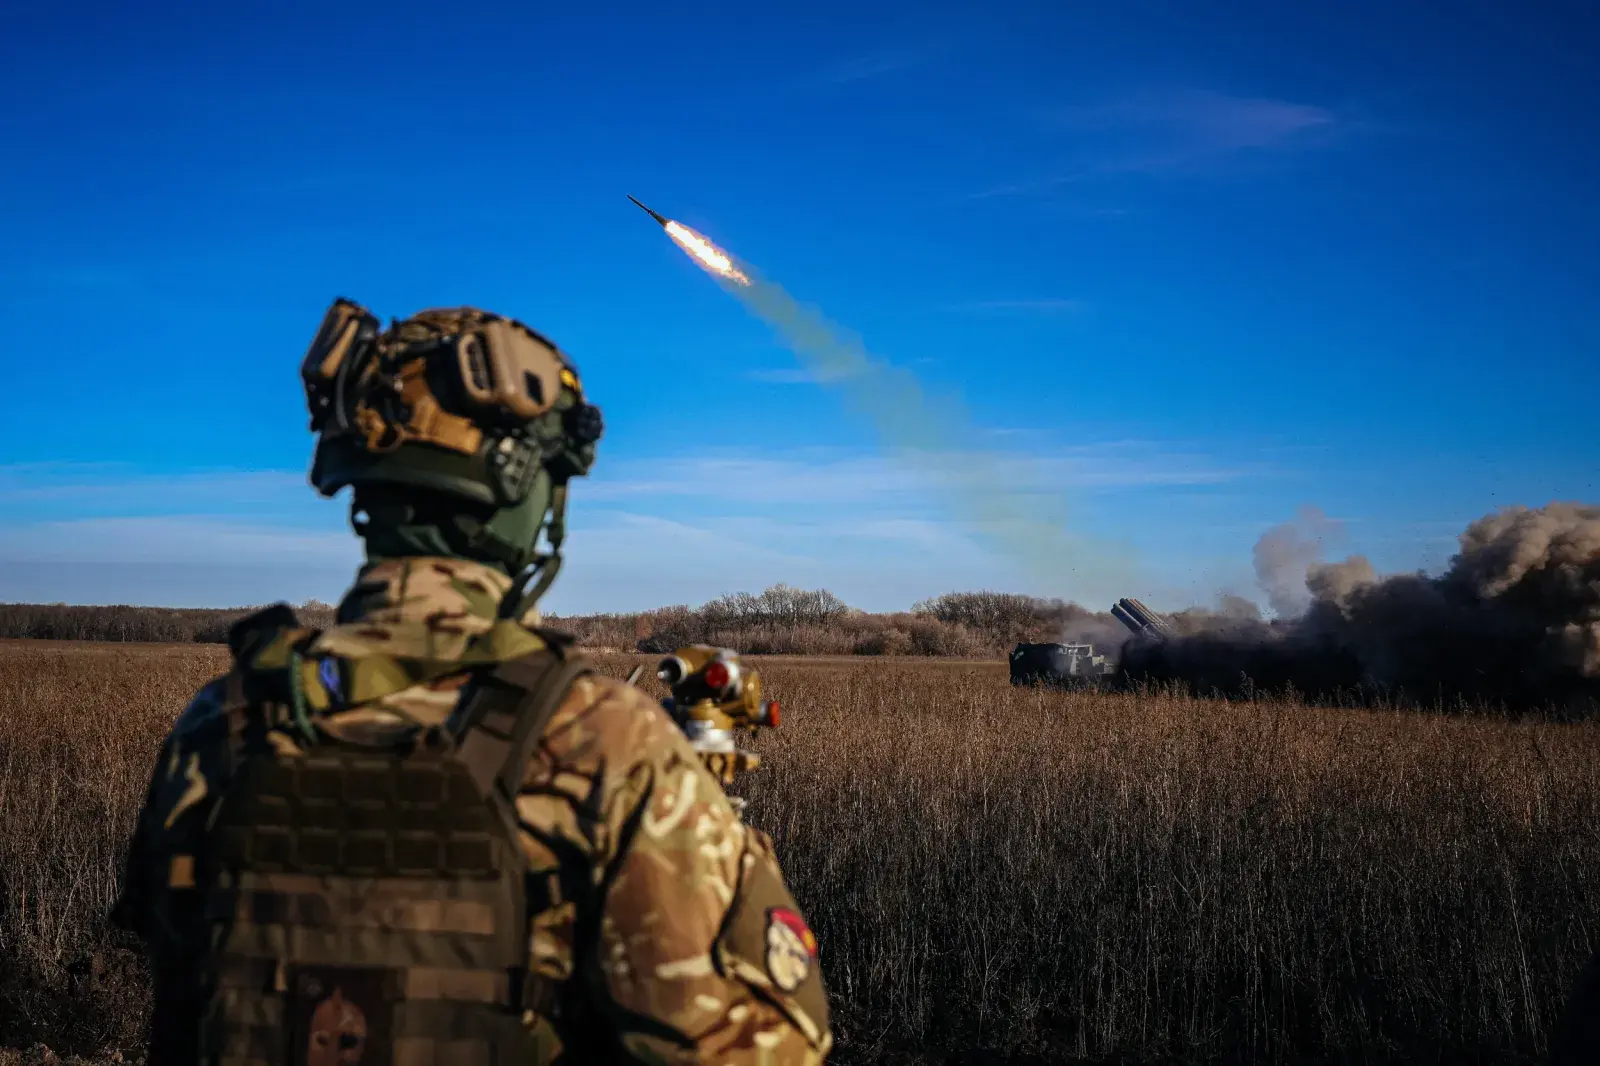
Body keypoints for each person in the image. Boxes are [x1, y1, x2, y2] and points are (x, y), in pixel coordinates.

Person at [111, 301, 832, 1065]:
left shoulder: (223, 720)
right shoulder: (605, 740)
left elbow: (184, 978)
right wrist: (729, 845)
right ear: (527, 492)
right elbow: (755, 1049)